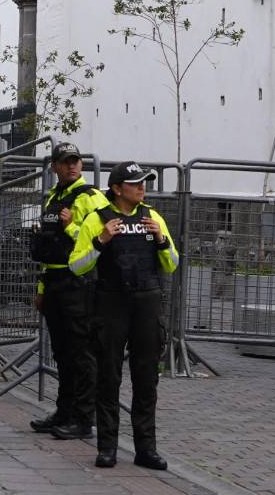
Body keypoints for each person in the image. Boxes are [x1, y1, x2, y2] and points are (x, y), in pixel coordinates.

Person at [69, 161, 178, 470]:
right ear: (117, 189)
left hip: (146, 304)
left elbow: (172, 264)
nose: (142, 188)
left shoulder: (152, 217)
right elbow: (77, 266)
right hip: (111, 304)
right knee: (108, 377)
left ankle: (146, 449)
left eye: (144, 182)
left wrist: (161, 240)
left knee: (146, 379)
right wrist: (100, 241)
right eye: (135, 183)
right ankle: (107, 448)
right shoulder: (97, 218)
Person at [28, 143, 109, 439]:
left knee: (81, 353)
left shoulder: (91, 197)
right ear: (55, 167)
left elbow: (102, 239)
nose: (72, 165)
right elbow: (50, 246)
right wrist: (41, 287)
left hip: (79, 283)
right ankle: (64, 412)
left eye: (76, 161)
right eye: (66, 161)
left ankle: (84, 420)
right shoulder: (54, 197)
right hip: (54, 281)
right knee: (62, 353)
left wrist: (73, 226)